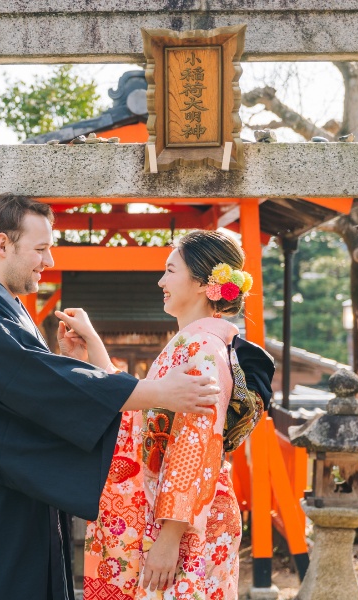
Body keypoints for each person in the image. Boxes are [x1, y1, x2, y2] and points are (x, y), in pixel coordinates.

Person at [0, 195, 223, 600]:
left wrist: (73, 362)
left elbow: (37, 390)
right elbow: (39, 383)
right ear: (2, 245)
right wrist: (159, 392)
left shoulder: (6, 308)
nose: (48, 261)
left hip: (17, 497)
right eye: (41, 249)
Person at [58, 230, 272, 600]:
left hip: (185, 526)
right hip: (176, 516)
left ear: (206, 283)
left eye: (170, 271)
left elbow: (196, 446)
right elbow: (141, 415)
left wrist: (169, 538)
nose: (161, 281)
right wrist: (91, 346)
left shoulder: (204, 349)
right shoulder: (192, 344)